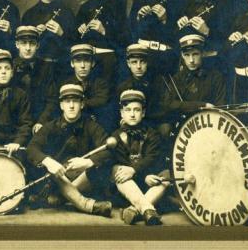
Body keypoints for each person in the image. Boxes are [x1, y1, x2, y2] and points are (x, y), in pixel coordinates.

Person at [26, 84, 113, 217]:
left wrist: (88, 162)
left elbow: (109, 150)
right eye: (67, 101)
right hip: (57, 178)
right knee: (54, 173)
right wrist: (49, 162)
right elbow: (31, 148)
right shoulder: (50, 127)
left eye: (76, 101)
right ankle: (87, 205)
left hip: (81, 180)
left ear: (82, 104)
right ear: (61, 105)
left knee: (99, 168)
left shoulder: (92, 126)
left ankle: (61, 198)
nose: (71, 106)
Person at [109, 90, 166, 225]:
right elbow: (122, 164)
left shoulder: (152, 134)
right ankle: (147, 209)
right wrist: (136, 172)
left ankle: (134, 210)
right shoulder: (116, 136)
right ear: (122, 113)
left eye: (137, 110)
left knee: (165, 176)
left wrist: (142, 174)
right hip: (127, 188)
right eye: (128, 110)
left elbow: (152, 158)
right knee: (118, 170)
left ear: (143, 113)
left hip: (148, 186)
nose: (132, 114)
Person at [129, 0, 184, 76]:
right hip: (143, 57)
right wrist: (138, 19)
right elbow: (130, 32)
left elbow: (180, 35)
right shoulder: (139, 0)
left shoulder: (177, 0)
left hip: (165, 57)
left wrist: (165, 20)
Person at [75, 0, 128, 87]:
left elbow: (124, 38)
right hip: (87, 62)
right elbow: (74, 38)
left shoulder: (117, 6)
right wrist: (79, 30)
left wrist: (104, 31)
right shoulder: (84, 7)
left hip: (108, 61)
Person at [21, 0, 76, 83]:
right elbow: (21, 48)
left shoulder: (67, 13)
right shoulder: (29, 14)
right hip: (37, 69)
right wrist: (33, 35)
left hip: (62, 69)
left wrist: (61, 33)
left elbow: (75, 44)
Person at [162, 34, 227, 126]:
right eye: (187, 55)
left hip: (212, 125)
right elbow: (169, 104)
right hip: (186, 127)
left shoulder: (215, 77)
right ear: (182, 55)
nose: (191, 60)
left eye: (195, 54)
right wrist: (201, 105)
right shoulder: (177, 78)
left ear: (202, 53)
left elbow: (221, 105)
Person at [12, 25, 59, 135]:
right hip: (14, 125)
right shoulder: (8, 67)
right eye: (24, 43)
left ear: (37, 45)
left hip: (38, 124)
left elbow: (52, 100)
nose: (28, 48)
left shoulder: (46, 68)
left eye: (32, 43)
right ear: (17, 44)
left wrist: (41, 122)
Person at [62, 43, 112, 132]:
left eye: (87, 60)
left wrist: (83, 103)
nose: (82, 65)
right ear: (72, 63)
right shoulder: (66, 84)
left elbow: (101, 101)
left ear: (93, 63)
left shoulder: (100, 83)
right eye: (78, 61)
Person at [115, 44, 167, 125]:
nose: (138, 66)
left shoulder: (157, 83)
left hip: (154, 123)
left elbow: (162, 109)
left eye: (142, 62)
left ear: (147, 63)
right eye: (134, 62)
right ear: (128, 64)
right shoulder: (123, 87)